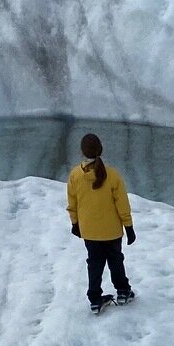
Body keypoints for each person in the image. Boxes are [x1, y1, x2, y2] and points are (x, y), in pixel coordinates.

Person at [67, 132, 136, 314]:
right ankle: (123, 291)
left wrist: (75, 223)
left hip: (89, 232)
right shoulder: (113, 175)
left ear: (82, 151)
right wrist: (128, 227)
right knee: (116, 261)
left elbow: (72, 203)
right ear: (101, 149)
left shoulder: (75, 175)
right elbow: (122, 204)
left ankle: (95, 299)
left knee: (95, 264)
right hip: (112, 231)